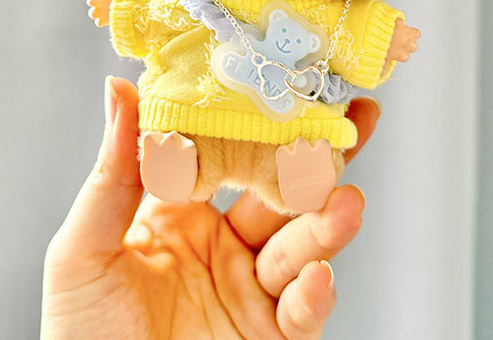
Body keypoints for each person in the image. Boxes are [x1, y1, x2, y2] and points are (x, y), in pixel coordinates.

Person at [40, 76, 381, 340]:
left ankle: (296, 162)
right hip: (202, 118)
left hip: (272, 120)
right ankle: (184, 153)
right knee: (201, 160)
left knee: (283, 171)